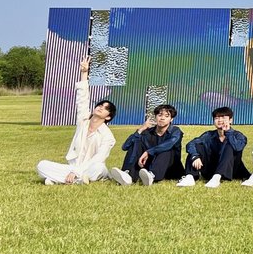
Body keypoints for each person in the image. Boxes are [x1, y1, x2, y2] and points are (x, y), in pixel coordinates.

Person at [37, 55, 117, 185]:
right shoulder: (83, 121)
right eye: (100, 105)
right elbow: (82, 100)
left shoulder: (108, 136)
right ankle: (77, 180)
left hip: (91, 167)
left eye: (105, 108)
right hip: (73, 167)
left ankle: (63, 179)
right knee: (42, 165)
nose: (101, 108)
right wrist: (84, 73)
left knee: (99, 168)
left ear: (108, 116)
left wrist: (77, 172)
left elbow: (98, 158)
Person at [110, 103, 183, 186]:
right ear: (155, 117)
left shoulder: (175, 131)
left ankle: (152, 175)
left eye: (166, 116)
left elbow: (169, 144)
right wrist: (141, 129)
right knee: (137, 142)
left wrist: (149, 152)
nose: (162, 118)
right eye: (159, 115)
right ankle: (128, 174)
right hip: (147, 166)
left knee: (167, 149)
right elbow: (125, 146)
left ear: (171, 119)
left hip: (170, 168)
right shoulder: (148, 132)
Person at [177, 106, 249, 188]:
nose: (220, 120)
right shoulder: (209, 135)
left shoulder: (238, 136)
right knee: (198, 146)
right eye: (217, 118)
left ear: (230, 120)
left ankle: (216, 178)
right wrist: (195, 156)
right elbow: (191, 144)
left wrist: (228, 132)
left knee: (230, 144)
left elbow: (238, 147)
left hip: (231, 170)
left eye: (223, 118)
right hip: (210, 170)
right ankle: (190, 177)